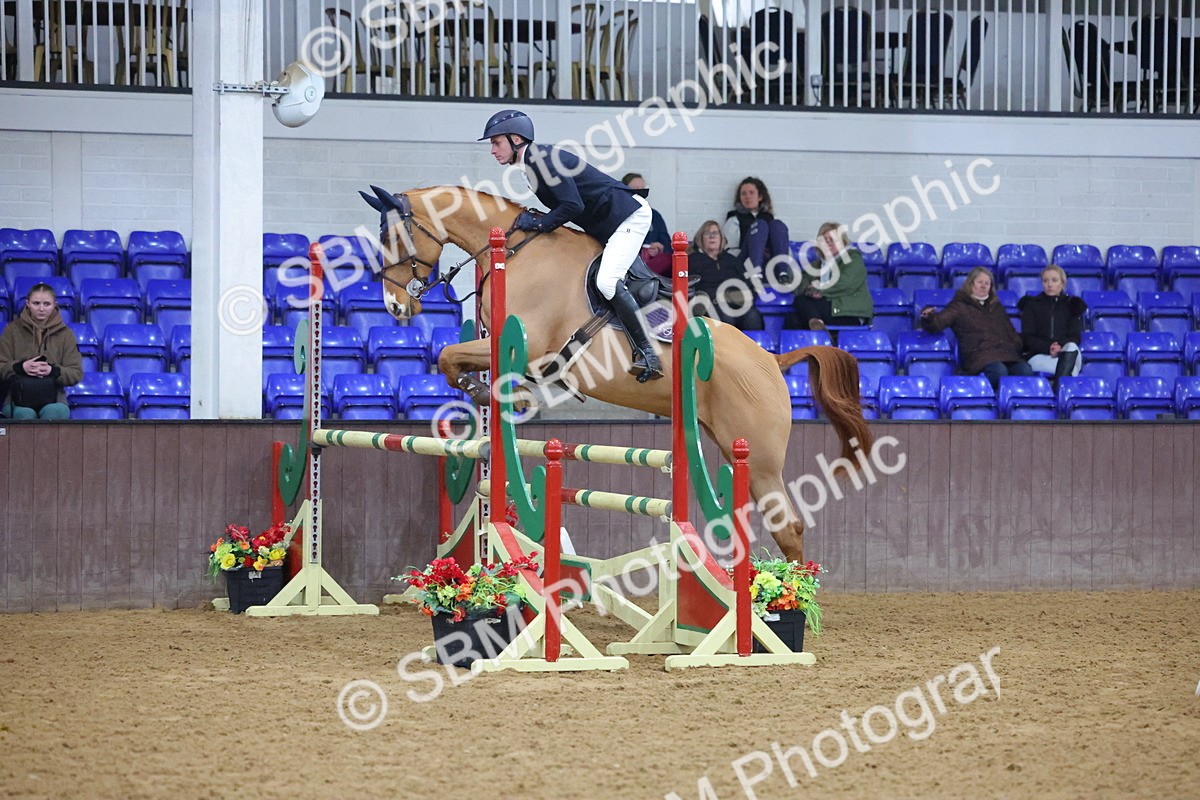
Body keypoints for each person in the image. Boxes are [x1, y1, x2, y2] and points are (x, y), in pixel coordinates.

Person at [480, 109, 662, 382]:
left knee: (607, 282)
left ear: (515, 138)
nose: (493, 150)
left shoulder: (542, 160)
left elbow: (573, 205)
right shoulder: (531, 165)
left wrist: (540, 225)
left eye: (496, 143)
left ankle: (649, 352)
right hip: (605, 222)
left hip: (628, 217)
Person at [919, 266, 1032, 390]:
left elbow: (1011, 332)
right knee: (999, 371)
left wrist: (1015, 345)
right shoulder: (959, 306)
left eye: (987, 283)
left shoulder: (997, 307)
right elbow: (938, 322)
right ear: (971, 284)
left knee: (1025, 370)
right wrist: (929, 317)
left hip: (1007, 354)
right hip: (979, 355)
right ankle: (982, 396)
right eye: (980, 282)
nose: (983, 286)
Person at [0, 283, 83, 420]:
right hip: (17, 399)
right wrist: (21, 367)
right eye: (36, 303)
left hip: (54, 399)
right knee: (24, 416)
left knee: (54, 413)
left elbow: (76, 373)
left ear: (54, 304)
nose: (41, 308)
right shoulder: (12, 331)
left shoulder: (66, 334)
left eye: (47, 304)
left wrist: (53, 371)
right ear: (28, 303)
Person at [789, 221, 874, 331]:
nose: (828, 243)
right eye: (824, 240)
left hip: (848, 311)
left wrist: (821, 290)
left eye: (832, 240)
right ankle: (818, 329)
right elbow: (802, 283)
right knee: (792, 318)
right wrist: (809, 290)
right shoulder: (817, 264)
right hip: (828, 310)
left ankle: (822, 334)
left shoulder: (853, 259)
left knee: (801, 302)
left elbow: (846, 284)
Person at [687, 220, 764, 331]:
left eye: (715, 233)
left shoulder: (733, 260)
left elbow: (748, 285)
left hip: (736, 303)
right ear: (701, 239)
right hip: (711, 305)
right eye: (707, 233)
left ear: (722, 238)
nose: (712, 236)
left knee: (753, 317)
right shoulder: (693, 260)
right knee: (726, 318)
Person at [1018, 265, 1086, 382]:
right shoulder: (1032, 305)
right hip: (1040, 356)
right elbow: (1028, 337)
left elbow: (1074, 336)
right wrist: (1048, 348)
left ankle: (1058, 385)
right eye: (1045, 281)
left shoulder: (1072, 306)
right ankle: (1061, 388)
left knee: (1072, 348)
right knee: (1067, 368)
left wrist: (1060, 346)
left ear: (1062, 283)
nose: (1049, 284)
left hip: (1065, 353)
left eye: (1054, 280)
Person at [722, 176, 790, 278]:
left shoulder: (769, 218)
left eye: (751, 193)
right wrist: (755, 250)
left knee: (778, 225)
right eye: (743, 194)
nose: (747, 197)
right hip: (745, 263)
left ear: (760, 197)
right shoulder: (735, 218)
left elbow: (781, 244)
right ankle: (755, 271)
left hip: (768, 263)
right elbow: (729, 250)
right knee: (760, 225)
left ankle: (783, 272)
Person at [621, 172, 672, 276]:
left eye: (643, 189)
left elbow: (667, 246)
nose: (640, 193)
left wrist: (659, 248)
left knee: (668, 259)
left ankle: (641, 275)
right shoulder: (618, 213)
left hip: (653, 262)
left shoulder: (654, 215)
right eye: (636, 189)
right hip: (627, 259)